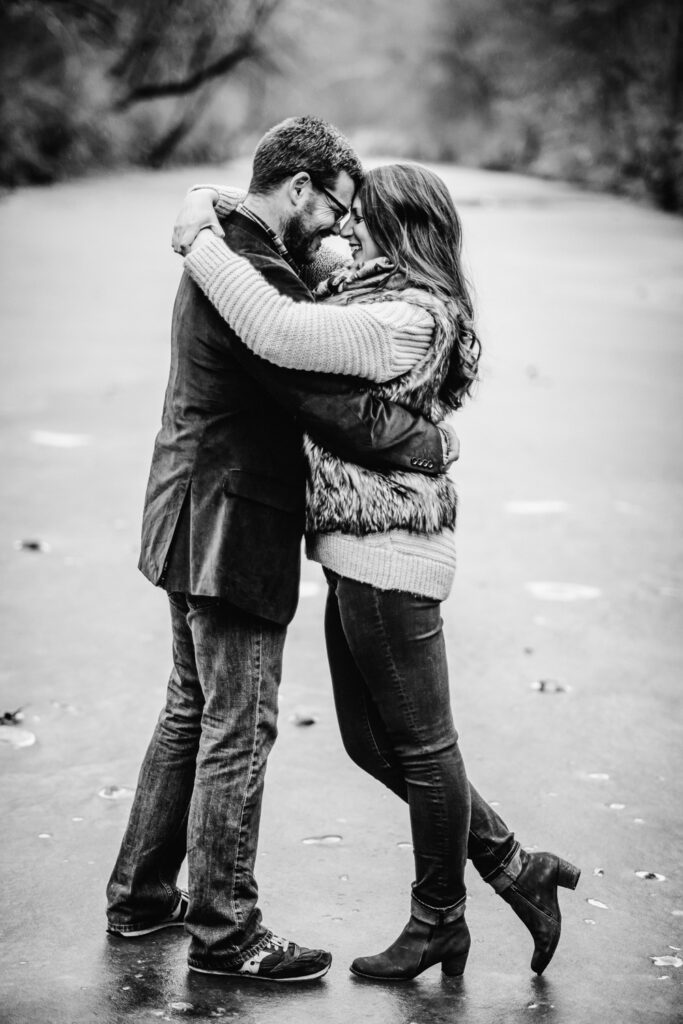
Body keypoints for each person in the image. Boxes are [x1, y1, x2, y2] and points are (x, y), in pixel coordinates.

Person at [172, 161, 581, 980]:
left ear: (397, 233)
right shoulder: (373, 299)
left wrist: (200, 241)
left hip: (394, 553)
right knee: (368, 743)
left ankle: (439, 920)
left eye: (363, 223)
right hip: (357, 554)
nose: (345, 231)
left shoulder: (404, 318)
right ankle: (512, 866)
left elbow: (282, 333)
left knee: (425, 749)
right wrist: (214, 200)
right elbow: (312, 293)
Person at [105, 118, 459, 984]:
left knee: (190, 710)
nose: (340, 231)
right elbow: (315, 393)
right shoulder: (249, 271)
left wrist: (207, 204)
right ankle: (229, 933)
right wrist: (417, 441)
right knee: (239, 722)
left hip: (185, 506)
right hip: (232, 522)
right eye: (334, 211)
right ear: (296, 190)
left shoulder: (233, 242)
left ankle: (142, 895)